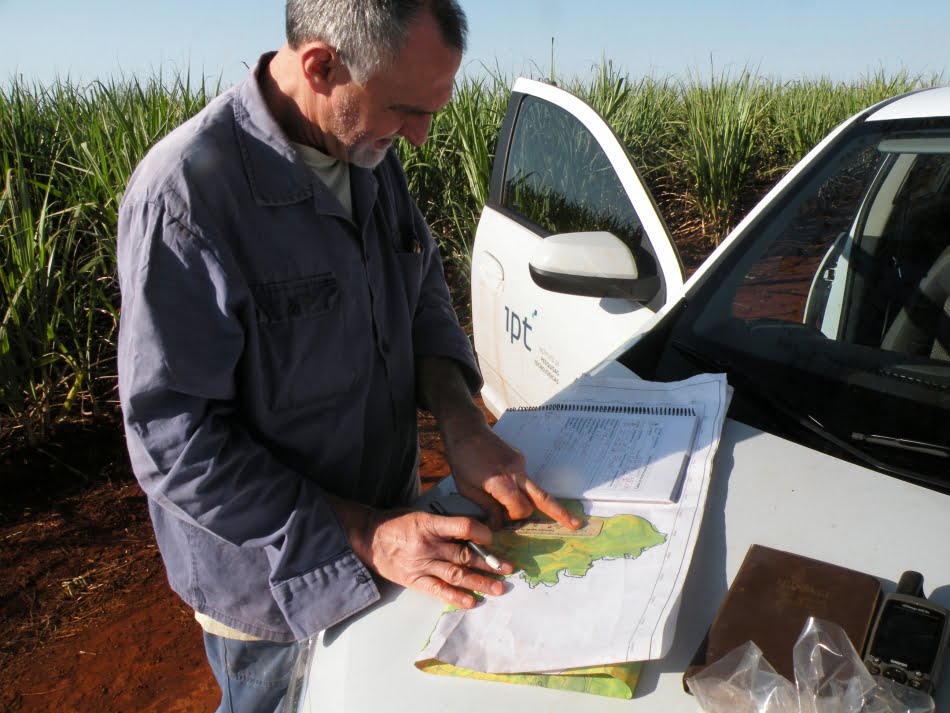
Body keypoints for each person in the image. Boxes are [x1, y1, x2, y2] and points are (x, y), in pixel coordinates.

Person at [116, 1, 579, 710]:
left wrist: (461, 422)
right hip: (274, 592)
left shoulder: (366, 151)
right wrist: (365, 532)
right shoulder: (185, 198)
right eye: (404, 110)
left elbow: (419, 290)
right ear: (322, 65)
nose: (421, 140)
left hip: (398, 536)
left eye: (431, 112)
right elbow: (174, 444)